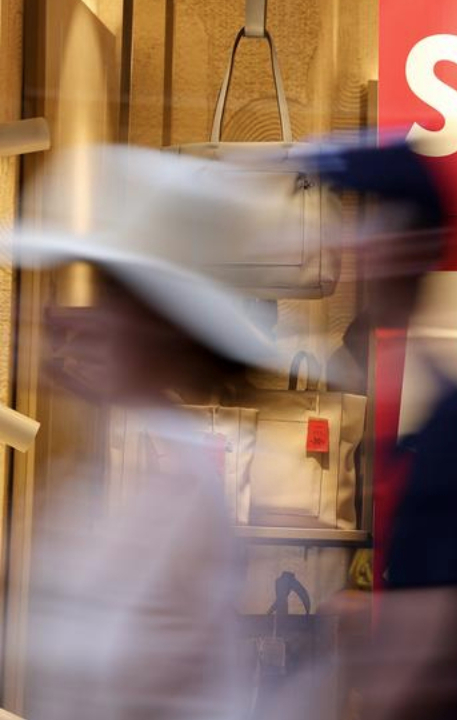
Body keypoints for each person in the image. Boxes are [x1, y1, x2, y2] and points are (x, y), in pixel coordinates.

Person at [14, 145, 291, 720]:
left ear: (158, 325)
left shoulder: (183, 485)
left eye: (114, 296)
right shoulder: (130, 460)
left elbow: (119, 671)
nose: (86, 318)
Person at [310, 139, 457, 720]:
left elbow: (444, 645)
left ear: (411, 246)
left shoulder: (454, 430)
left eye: (370, 219)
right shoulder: (424, 410)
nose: (350, 242)